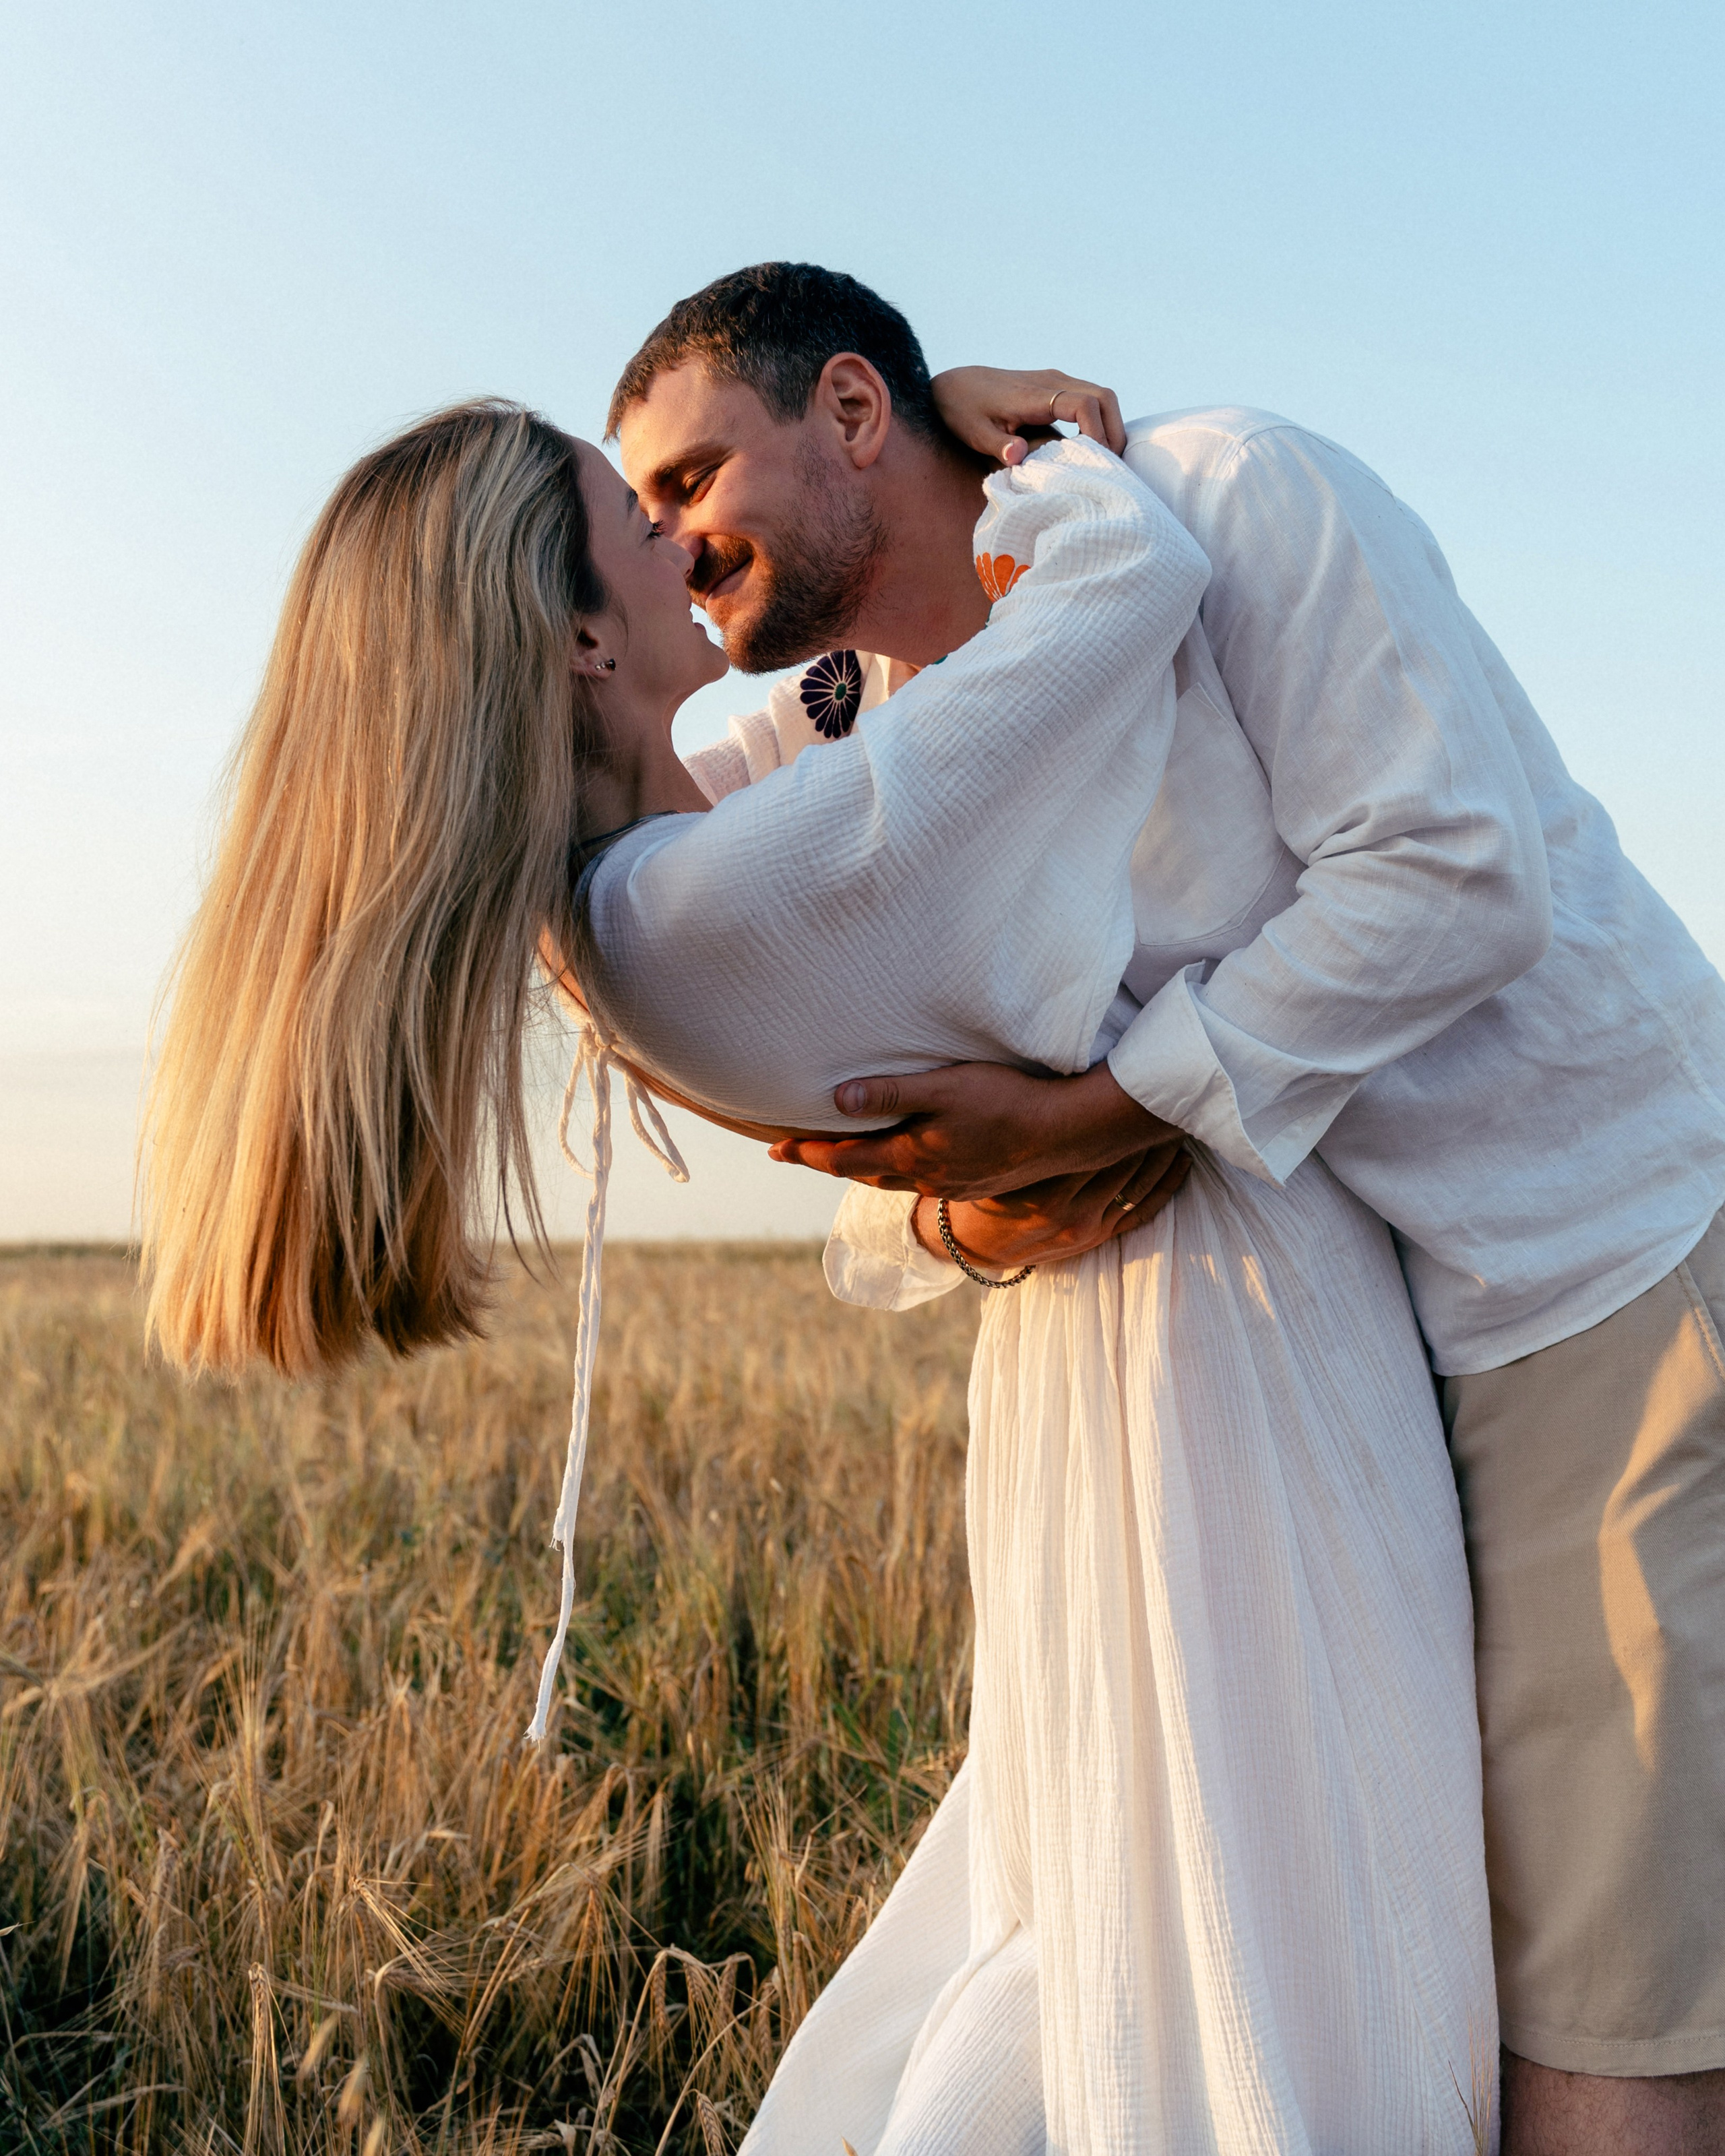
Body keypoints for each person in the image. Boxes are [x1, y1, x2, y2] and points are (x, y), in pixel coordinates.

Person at [143, 398, 1495, 2152]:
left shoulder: (632, 911)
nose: (676, 538)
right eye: (632, 518)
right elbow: (1130, 577)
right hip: (1236, 1367)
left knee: (1125, 1925)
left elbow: (853, 742)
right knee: (1285, 1947)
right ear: (574, 634)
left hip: (1115, 1364)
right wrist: (1026, 444)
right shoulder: (727, 892)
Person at [612, 261, 1725, 2154]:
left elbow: (1453, 876)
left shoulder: (1232, 490)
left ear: (860, 415)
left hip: (1583, 1268)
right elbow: (881, 1114)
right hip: (1340, 1370)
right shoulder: (862, 740)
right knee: (1417, 1976)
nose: (670, 539)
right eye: (638, 517)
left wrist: (1100, 1120)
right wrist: (972, 1204)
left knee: (1598, 2015)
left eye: (694, 477)